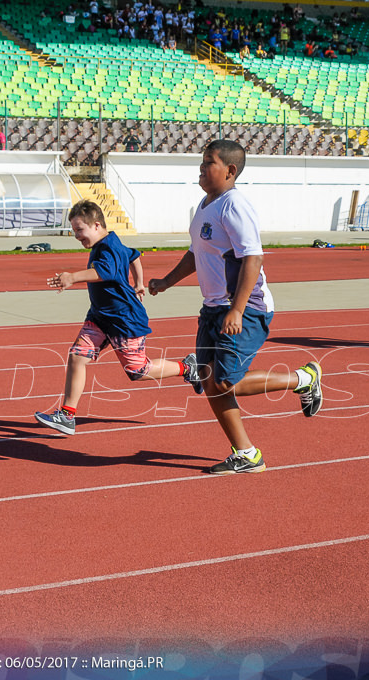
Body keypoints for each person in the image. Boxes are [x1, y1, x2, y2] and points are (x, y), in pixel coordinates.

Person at [148, 140, 323, 475]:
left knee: (225, 382)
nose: (201, 169)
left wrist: (237, 309)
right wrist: (167, 282)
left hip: (246, 307)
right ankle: (246, 453)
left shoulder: (234, 205)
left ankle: (303, 378)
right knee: (210, 383)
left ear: (230, 171)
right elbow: (195, 254)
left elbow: (252, 258)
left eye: (208, 163)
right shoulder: (204, 205)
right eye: (200, 162)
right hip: (213, 308)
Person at [34, 200, 201, 436]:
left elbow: (105, 272)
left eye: (79, 230)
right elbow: (134, 256)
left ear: (97, 225)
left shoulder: (108, 247)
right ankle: (67, 415)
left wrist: (72, 277)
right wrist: (139, 283)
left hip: (124, 320)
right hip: (100, 318)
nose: (76, 236)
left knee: (138, 371)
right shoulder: (109, 242)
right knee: (77, 357)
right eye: (73, 231)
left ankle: (187, 367)